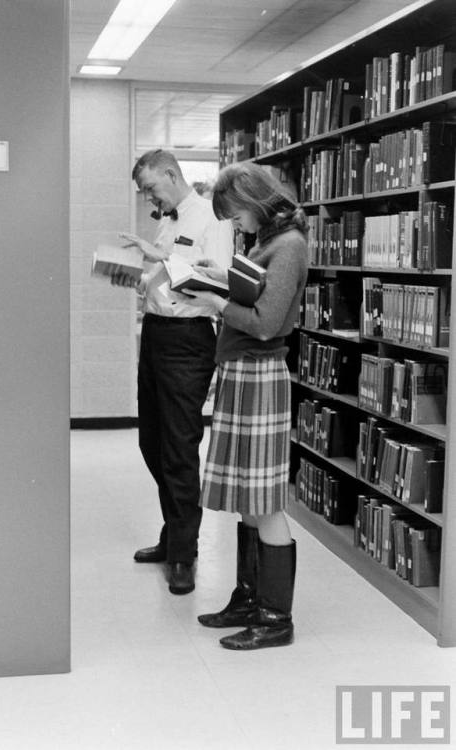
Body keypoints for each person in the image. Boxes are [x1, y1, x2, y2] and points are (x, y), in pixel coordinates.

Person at [180, 161, 308, 649]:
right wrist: (218, 278)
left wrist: (215, 303)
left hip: (259, 374)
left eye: (235, 216)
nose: (235, 225)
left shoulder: (289, 246)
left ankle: (276, 619)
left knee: (264, 499)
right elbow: (254, 296)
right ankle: (250, 598)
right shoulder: (265, 242)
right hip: (242, 374)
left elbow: (265, 323)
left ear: (255, 202)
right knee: (245, 497)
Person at [113, 149, 233, 596]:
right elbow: (160, 280)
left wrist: (158, 259)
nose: (149, 197)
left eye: (150, 187)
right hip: (157, 334)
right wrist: (135, 276)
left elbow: (219, 282)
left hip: (189, 340)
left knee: (180, 447)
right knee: (153, 441)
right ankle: (174, 532)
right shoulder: (168, 220)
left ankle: (184, 551)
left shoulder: (212, 218)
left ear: (171, 173)